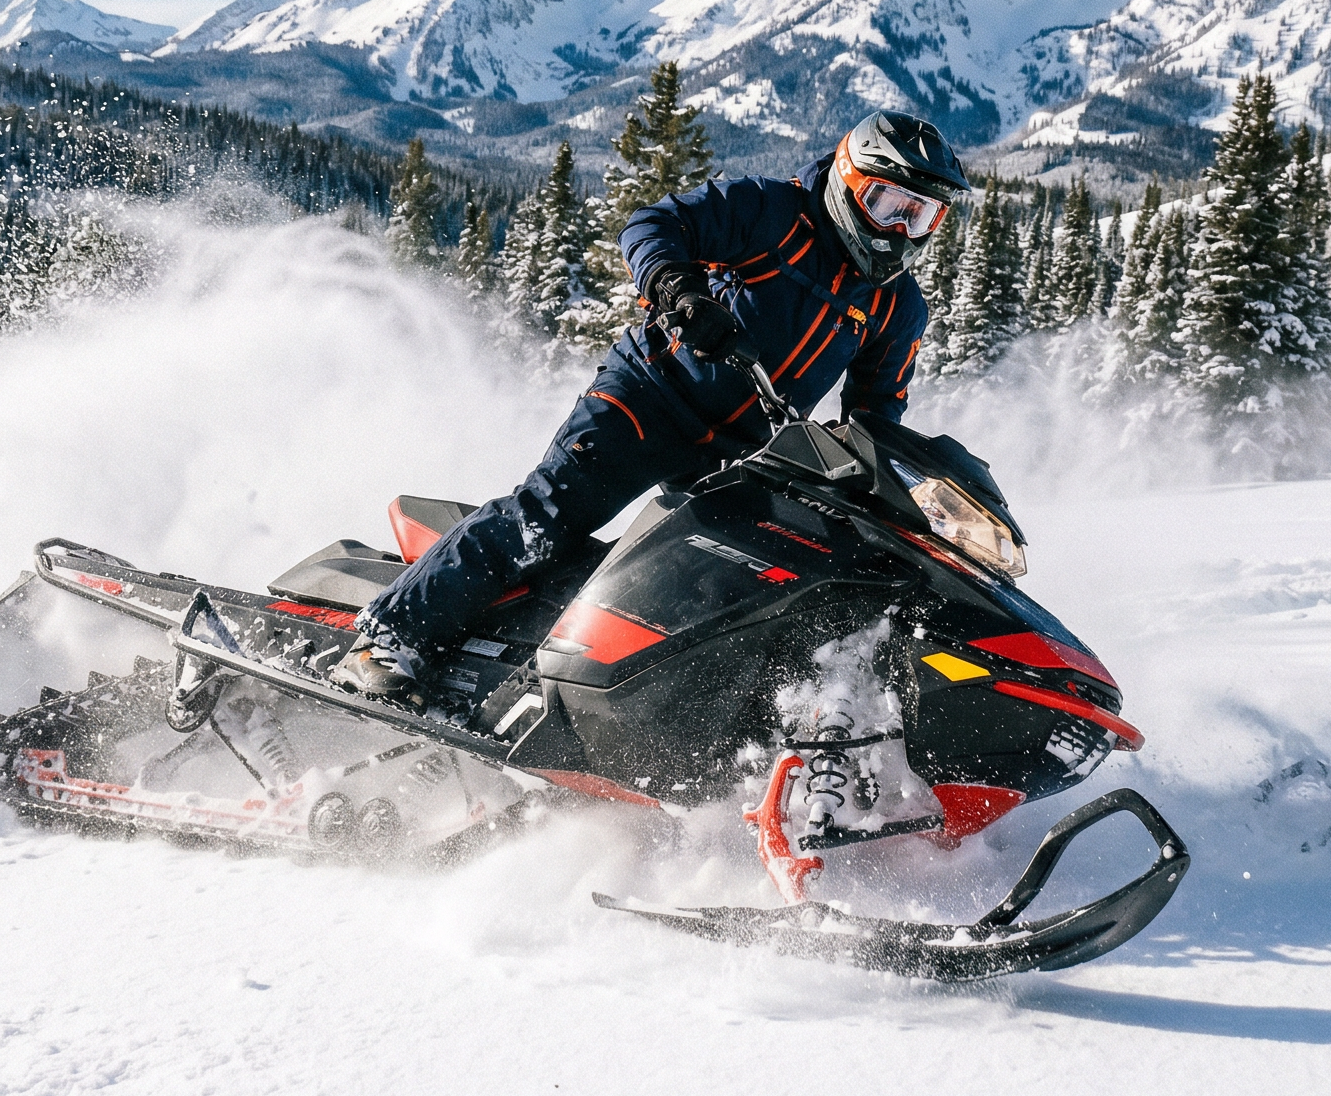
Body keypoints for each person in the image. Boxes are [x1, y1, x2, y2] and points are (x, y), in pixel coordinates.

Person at [331, 111, 969, 700]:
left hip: (746, 450)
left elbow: (878, 412)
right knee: (549, 516)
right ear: (848, 182)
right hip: (651, 393)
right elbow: (655, 223)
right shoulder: (773, 211)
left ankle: (609, 710)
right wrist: (681, 290)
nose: (897, 229)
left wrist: (877, 476)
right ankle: (391, 636)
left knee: (717, 587)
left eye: (919, 216)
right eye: (885, 203)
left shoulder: (897, 305)